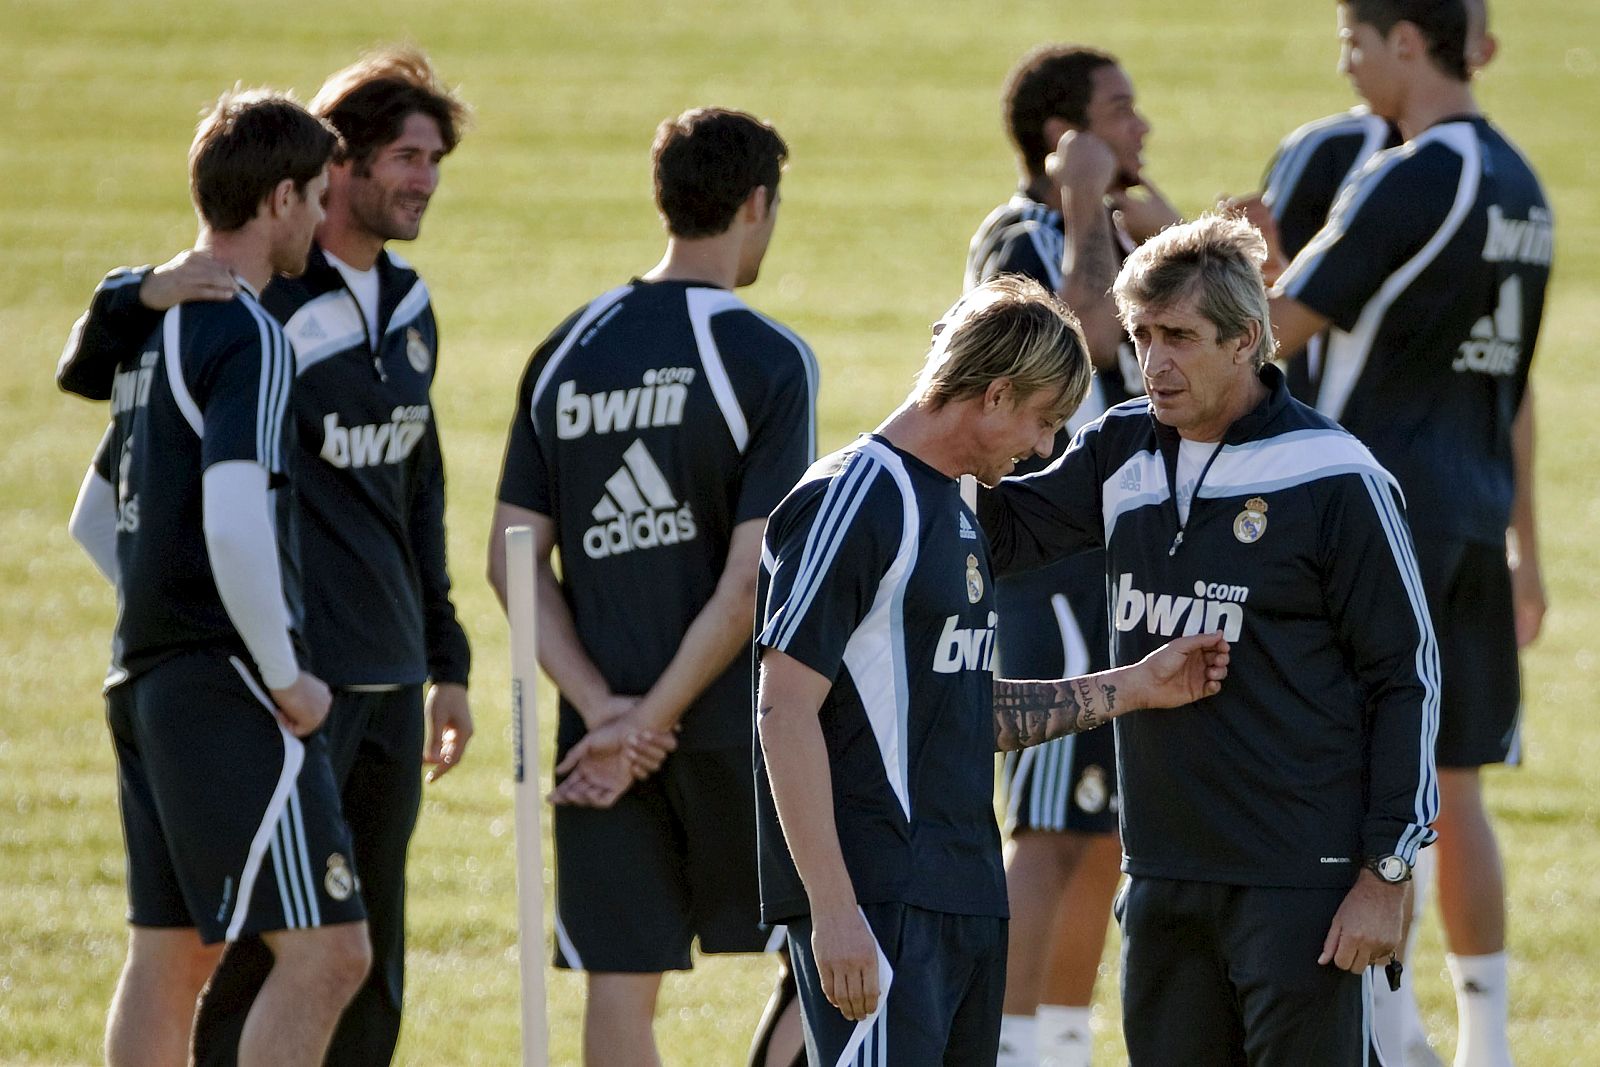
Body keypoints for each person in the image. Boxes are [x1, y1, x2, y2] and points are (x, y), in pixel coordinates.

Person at [57, 47, 475, 1065]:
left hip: (216, 672)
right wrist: (266, 658)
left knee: (184, 954)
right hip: (255, 683)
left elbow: (95, 516)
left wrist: (445, 654)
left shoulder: (186, 329)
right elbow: (229, 514)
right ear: (300, 189)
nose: (419, 178)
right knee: (324, 953)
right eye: (400, 156)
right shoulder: (245, 324)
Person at [977, 215, 1440, 1064]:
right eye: (1142, 336)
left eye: (1180, 337)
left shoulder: (1337, 477)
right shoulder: (1123, 446)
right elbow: (999, 536)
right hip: (1160, 874)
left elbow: (1406, 677)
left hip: (1302, 883)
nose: (1154, 362)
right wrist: (949, 418)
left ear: (1247, 342)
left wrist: (1386, 875)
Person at [754, 273, 1229, 1066]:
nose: (1043, 448)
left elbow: (961, 706)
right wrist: (833, 908)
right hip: (882, 899)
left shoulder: (959, 508)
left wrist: (1133, 686)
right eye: (1044, 422)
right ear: (997, 394)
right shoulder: (854, 498)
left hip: (968, 896)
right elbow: (783, 709)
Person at [488, 106, 817, 1067]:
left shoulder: (566, 350)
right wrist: (657, 717)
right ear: (756, 203)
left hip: (597, 740)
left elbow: (511, 557)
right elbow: (753, 576)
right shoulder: (765, 355)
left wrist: (608, 714)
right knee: (828, 947)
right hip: (734, 725)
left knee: (617, 986)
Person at [1263, 4, 1549, 1063]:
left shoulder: (1412, 173)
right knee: (1450, 776)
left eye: (1352, 45)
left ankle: (1385, 1030)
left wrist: (1224, 264)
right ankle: (1481, 1043)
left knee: (1354, 776)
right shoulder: (1523, 186)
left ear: (1405, 44)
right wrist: (1528, 541)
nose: (1347, 70)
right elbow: (1512, 386)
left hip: (1379, 520)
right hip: (1470, 515)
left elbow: (1269, 328)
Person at [964, 45, 1172, 1066]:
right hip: (1044, 567)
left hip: (1112, 564)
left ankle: (1058, 1042)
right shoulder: (1016, 234)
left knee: (1103, 826)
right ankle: (1002, 1044)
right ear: (1065, 136)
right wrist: (1087, 204)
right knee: (1046, 826)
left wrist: (1143, 211)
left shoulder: (1129, 227)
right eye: (1120, 114)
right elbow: (1087, 339)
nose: (1140, 130)